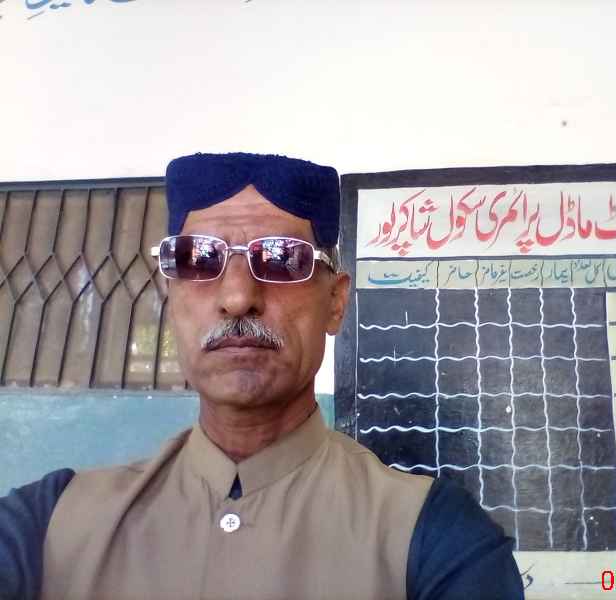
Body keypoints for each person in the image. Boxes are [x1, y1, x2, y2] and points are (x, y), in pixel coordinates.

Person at [0, 152, 524, 600]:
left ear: (335, 302)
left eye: (281, 260)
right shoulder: (49, 524)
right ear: (170, 298)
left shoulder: (434, 540)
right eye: (198, 258)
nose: (237, 297)